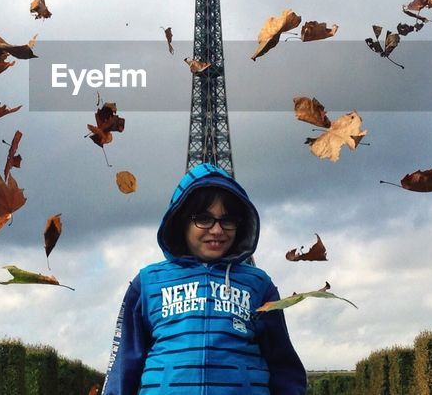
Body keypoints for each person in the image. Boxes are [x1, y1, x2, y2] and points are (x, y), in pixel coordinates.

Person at [102, 163, 307, 395]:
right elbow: (124, 363)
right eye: (204, 218)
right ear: (181, 221)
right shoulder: (147, 283)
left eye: (227, 220)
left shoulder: (259, 285)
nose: (217, 230)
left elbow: (283, 364)